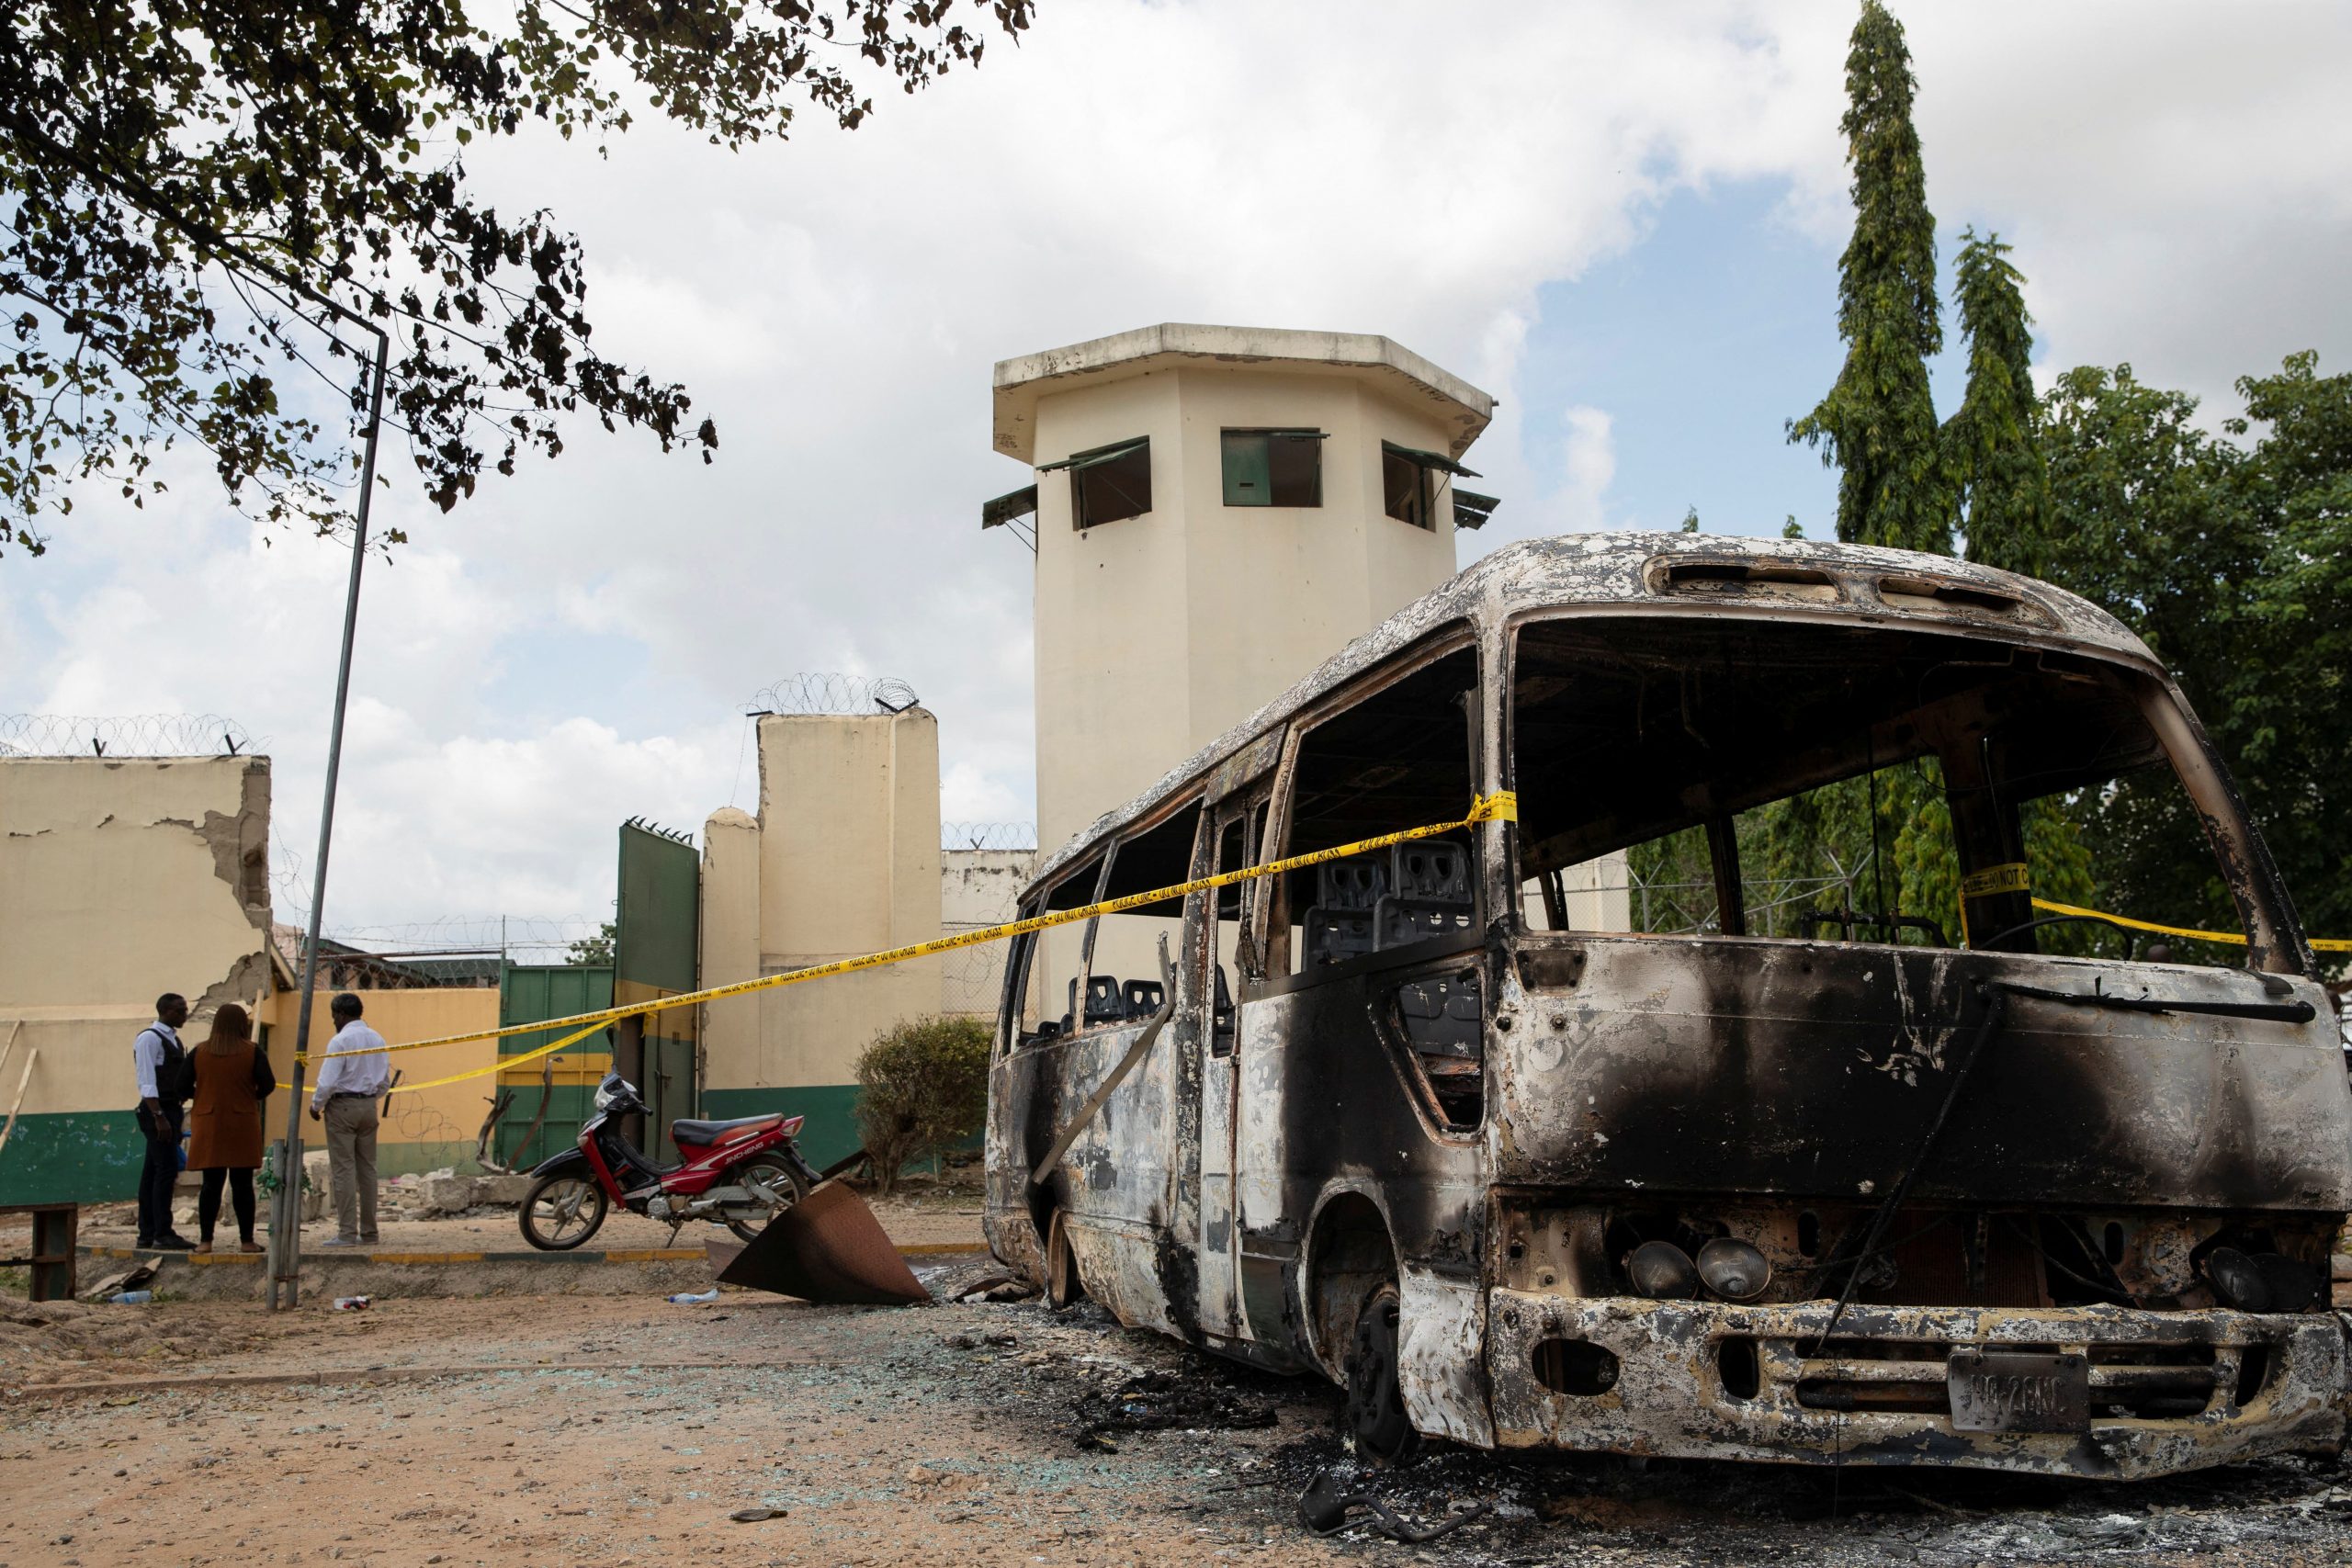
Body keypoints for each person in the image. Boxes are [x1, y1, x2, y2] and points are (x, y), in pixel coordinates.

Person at [186, 1003, 275, 1254]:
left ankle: (205, 1241)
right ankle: (247, 1241)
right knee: (243, 1184)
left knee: (210, 1184)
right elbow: (268, 1084)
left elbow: (180, 1086)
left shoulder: (199, 1052)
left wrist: (202, 1096)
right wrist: (249, 1096)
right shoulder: (252, 1052)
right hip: (242, 1122)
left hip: (209, 1122)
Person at [310, 992, 390, 1247]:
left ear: (341, 1014)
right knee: (368, 1170)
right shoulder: (377, 1038)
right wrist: (369, 1097)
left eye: (334, 1016)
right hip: (368, 1107)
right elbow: (384, 1081)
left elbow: (328, 1081)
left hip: (342, 1106)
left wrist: (316, 1105)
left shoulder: (340, 1041)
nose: (334, 1020)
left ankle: (346, 1233)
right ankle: (370, 1233)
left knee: (344, 1169)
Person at [132, 993, 194, 1250]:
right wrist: (159, 1117)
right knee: (166, 1171)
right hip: (157, 1112)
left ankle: (147, 1233)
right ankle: (162, 1232)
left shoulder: (173, 1039)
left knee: (152, 1173)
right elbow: (146, 1080)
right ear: (166, 1011)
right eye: (180, 1010)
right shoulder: (150, 1038)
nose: (185, 1014)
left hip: (172, 1109)